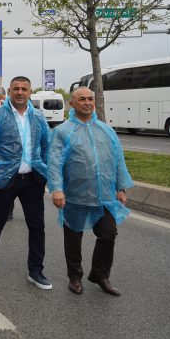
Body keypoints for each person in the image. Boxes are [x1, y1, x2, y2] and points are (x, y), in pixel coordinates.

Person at [48, 87, 133, 296]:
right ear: (72, 104)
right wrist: (57, 189)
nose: (87, 102)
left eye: (90, 99)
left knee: (108, 234)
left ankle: (100, 274)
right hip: (75, 194)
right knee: (73, 237)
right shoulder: (62, 131)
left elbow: (117, 159)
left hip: (103, 195)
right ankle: (75, 276)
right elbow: (55, 162)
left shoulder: (106, 130)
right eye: (82, 99)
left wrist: (120, 187)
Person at [0, 76, 52, 290]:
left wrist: (45, 169)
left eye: (24, 89)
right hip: (5, 178)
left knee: (37, 226)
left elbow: (47, 144)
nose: (20, 92)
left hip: (33, 179)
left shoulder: (38, 117)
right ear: (9, 90)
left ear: (30, 92)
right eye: (16, 89)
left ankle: (36, 270)